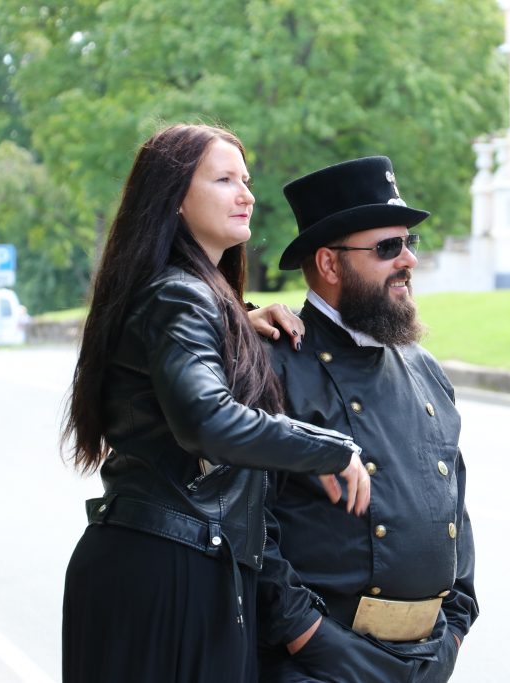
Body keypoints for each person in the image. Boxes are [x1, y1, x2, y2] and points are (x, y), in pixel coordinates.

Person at [60, 124, 371, 683]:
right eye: (225, 180)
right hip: (168, 572)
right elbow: (207, 420)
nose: (246, 194)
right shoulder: (178, 295)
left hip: (167, 564)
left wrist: (238, 324)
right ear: (175, 198)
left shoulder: (183, 296)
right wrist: (329, 449)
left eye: (245, 180)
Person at [257, 156, 478, 682]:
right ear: (330, 265)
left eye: (409, 243)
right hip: (317, 665)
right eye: (387, 247)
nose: (408, 260)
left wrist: (454, 628)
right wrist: (308, 636)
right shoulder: (273, 365)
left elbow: (457, 511)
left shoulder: (425, 369)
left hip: (427, 661)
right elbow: (250, 528)